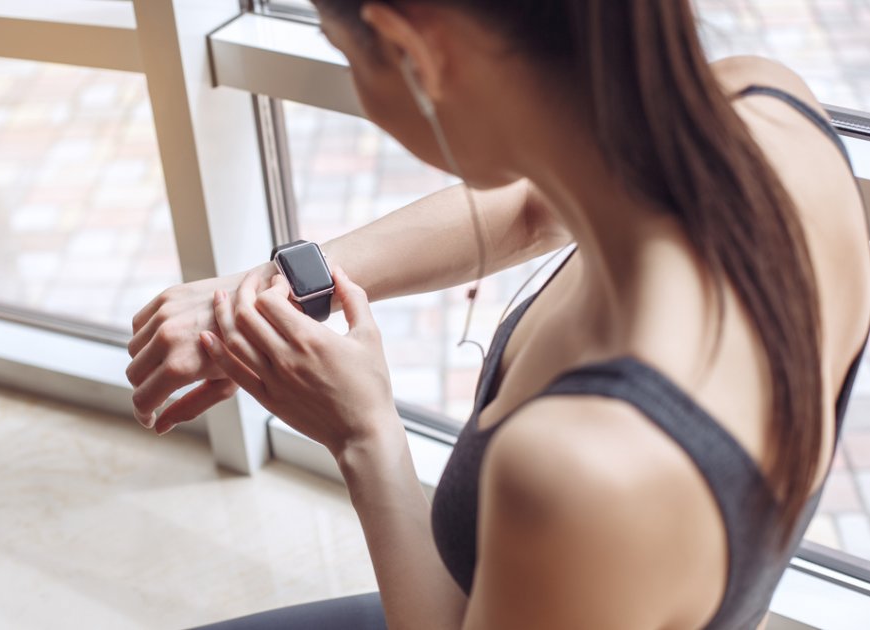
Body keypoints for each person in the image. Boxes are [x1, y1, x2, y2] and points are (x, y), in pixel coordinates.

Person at [125, 1, 870, 628]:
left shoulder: (578, 471)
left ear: (412, 47)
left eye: (343, 50)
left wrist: (362, 434)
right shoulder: (768, 109)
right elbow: (535, 205)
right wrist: (280, 286)